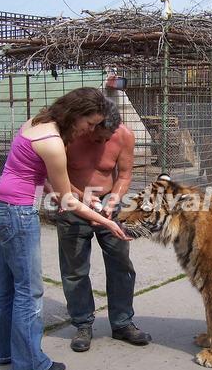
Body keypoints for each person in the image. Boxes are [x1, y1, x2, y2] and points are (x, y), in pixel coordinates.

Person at [0, 88, 131, 370]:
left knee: (7, 286)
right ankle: (29, 364)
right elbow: (66, 198)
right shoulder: (55, 142)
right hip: (18, 211)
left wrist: (99, 200)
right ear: (76, 114)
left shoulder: (37, 122)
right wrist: (105, 222)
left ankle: (5, 351)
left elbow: (50, 181)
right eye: (89, 123)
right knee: (29, 291)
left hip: (0, 204)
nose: (89, 130)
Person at [56, 99, 152, 352]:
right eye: (98, 137)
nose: (102, 143)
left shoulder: (124, 136)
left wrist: (114, 200)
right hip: (72, 206)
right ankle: (83, 324)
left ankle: (122, 323)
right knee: (74, 269)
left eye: (107, 138)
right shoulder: (70, 136)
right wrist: (80, 196)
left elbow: (125, 175)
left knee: (121, 266)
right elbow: (52, 176)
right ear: (91, 125)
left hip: (109, 206)